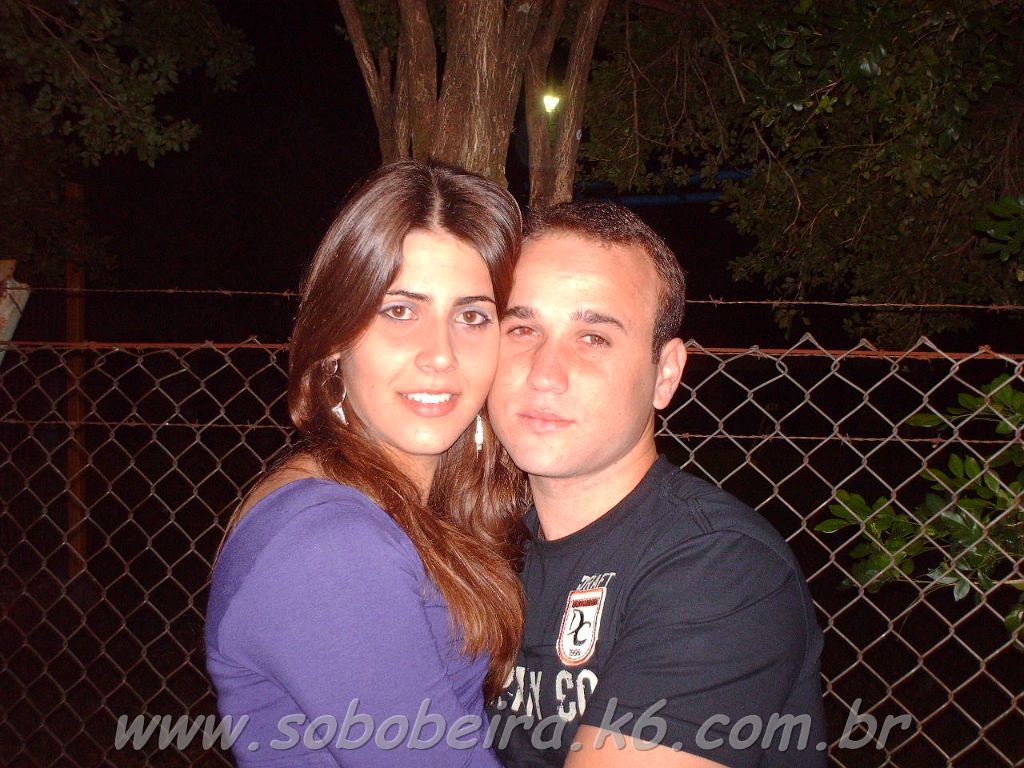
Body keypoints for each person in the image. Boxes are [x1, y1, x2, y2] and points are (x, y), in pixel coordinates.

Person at [206, 161, 528, 766]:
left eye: (472, 316)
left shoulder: (399, 509)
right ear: (336, 336)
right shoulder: (329, 546)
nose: (440, 355)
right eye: (400, 311)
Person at [487, 201, 826, 767]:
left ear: (665, 374)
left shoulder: (723, 568)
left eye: (593, 337)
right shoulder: (479, 545)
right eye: (522, 328)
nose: (544, 373)